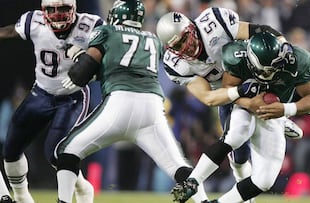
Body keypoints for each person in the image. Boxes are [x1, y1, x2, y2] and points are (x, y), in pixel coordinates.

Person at [55, 1, 209, 203]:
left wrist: (77, 55)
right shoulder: (153, 39)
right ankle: (205, 201)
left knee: (66, 152)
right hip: (153, 108)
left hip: (119, 103)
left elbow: (82, 74)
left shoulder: (107, 31)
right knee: (178, 167)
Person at [155, 8, 303, 198]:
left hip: (250, 74)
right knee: (239, 156)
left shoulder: (214, 23)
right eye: (177, 46)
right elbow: (208, 98)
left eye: (185, 39)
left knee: (238, 133)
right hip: (226, 93)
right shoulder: (175, 64)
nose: (185, 47)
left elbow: (261, 30)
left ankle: (278, 118)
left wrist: (284, 44)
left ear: (191, 28)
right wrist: (239, 92)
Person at [171, 31, 310, 203]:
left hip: (275, 112)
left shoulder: (297, 60)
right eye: (266, 70)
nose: (270, 74)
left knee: (264, 180)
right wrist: (249, 104)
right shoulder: (236, 56)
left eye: (274, 69)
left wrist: (285, 109)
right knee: (236, 135)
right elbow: (229, 90)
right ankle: (193, 180)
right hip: (246, 105)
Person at [0, 0, 104, 202]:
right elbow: (11, 31)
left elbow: (105, 62)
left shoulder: (91, 25)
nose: (57, 14)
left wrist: (88, 67)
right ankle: (22, 196)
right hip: (42, 92)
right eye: (52, 9)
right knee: (11, 149)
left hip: (72, 97)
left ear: (74, 8)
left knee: (56, 153)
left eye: (63, 9)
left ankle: (82, 188)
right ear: (43, 11)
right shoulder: (33, 21)